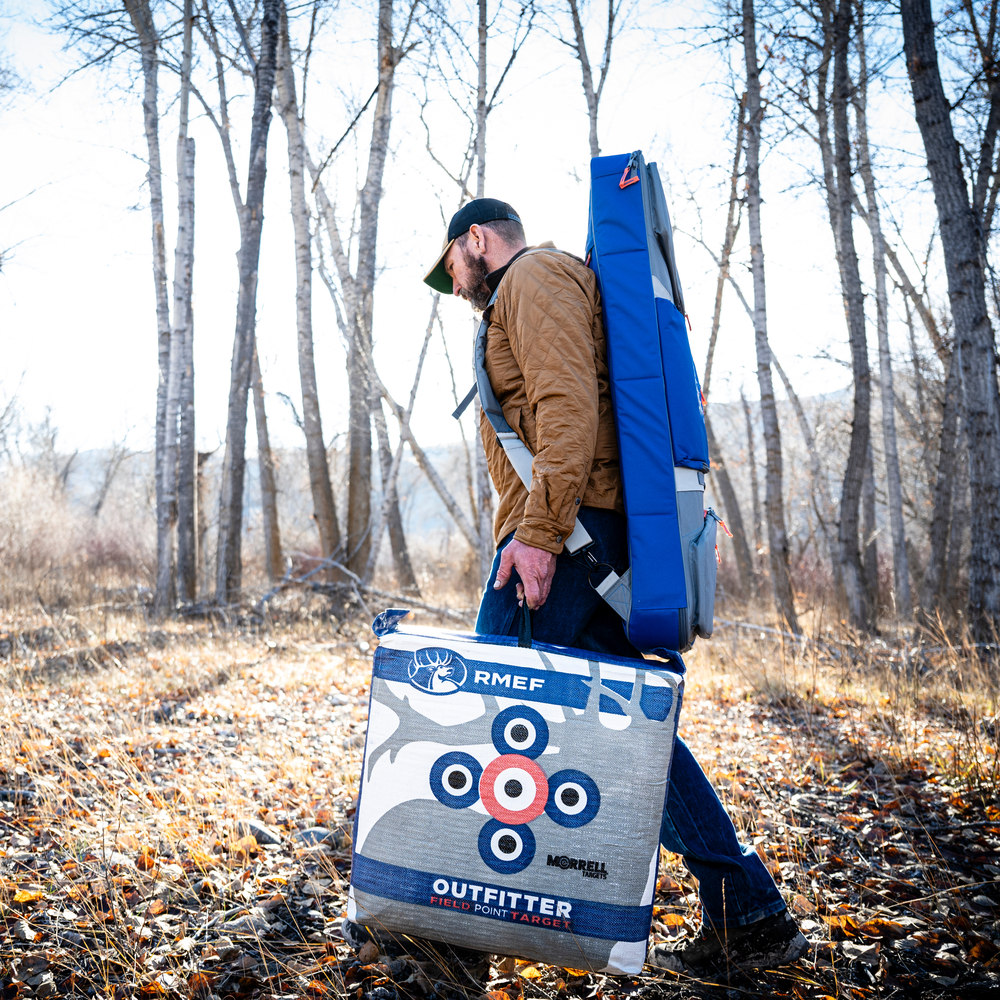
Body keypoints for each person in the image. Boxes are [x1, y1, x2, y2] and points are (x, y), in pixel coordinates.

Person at [416, 198, 808, 974]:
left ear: (478, 240)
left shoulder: (533, 279)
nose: (454, 283)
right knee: (632, 726)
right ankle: (750, 915)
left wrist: (536, 536)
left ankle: (454, 946)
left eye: (453, 266)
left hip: (565, 538)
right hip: (579, 537)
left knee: (485, 709)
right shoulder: (530, 290)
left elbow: (570, 410)